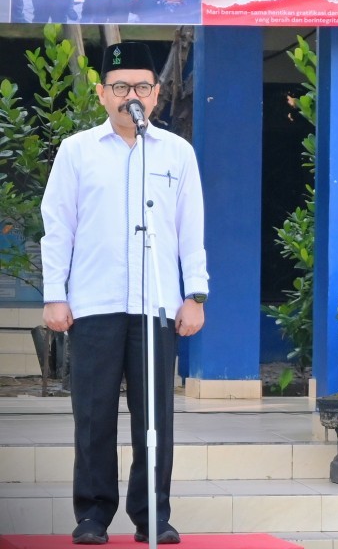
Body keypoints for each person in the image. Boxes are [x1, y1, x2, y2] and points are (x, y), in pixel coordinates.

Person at [40, 42, 209, 546]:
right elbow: (58, 227)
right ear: (101, 93)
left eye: (139, 87)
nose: (129, 96)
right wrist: (55, 294)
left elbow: (189, 228)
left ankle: (151, 513)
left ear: (155, 95)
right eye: (119, 87)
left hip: (156, 304)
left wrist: (194, 294)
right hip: (92, 303)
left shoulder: (177, 153)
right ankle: (92, 514)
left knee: (154, 416)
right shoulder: (76, 151)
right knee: (92, 414)